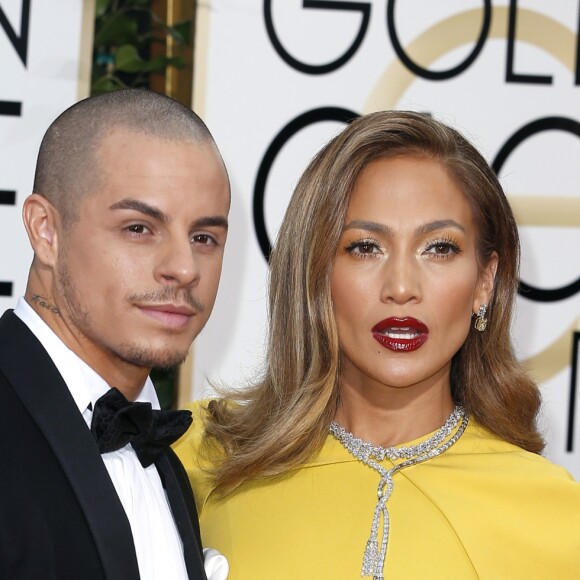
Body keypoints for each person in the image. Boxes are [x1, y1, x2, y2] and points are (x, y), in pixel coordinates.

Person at [174, 111, 580, 579]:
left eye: (440, 248)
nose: (402, 286)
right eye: (365, 247)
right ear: (316, 274)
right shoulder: (201, 462)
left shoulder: (554, 516)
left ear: (485, 281)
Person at [0, 89, 230, 580]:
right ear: (45, 231)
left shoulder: (165, 461)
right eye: (139, 228)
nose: (184, 268)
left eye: (204, 237)